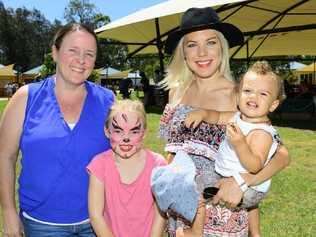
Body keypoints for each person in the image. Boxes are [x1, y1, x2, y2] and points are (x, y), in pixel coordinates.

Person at [159, 7, 290, 237]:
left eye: (210, 42)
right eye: (192, 44)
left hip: (223, 214)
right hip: (181, 216)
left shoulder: (241, 96)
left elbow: (281, 156)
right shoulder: (175, 93)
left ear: (222, 47)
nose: (201, 52)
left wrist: (242, 182)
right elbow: (172, 152)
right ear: (184, 52)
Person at [0, 23, 115, 237]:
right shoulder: (26, 98)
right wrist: (8, 212)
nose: (81, 60)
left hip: (97, 222)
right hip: (41, 224)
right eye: (73, 50)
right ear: (55, 52)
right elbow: (5, 157)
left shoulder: (109, 101)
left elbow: (126, 154)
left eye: (89, 54)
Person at [185, 60, 286, 210]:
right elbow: (218, 116)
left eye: (263, 94)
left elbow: (255, 166)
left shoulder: (261, 133)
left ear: (273, 105)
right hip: (223, 174)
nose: (253, 96)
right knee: (194, 181)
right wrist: (204, 113)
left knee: (198, 191)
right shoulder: (238, 117)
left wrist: (240, 144)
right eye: (247, 91)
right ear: (238, 96)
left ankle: (219, 204)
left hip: (250, 189)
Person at [87, 99, 166, 237]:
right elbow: (96, 216)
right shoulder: (99, 165)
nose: (126, 138)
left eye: (134, 131)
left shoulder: (158, 165)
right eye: (118, 131)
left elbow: (160, 214)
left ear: (144, 132)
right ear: (107, 131)